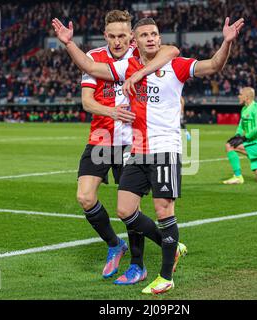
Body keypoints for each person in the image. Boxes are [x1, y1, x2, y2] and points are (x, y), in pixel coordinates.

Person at [55, 15, 244, 294]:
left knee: (163, 210)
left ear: (157, 36)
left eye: (154, 34)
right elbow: (90, 65)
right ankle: (161, 245)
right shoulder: (126, 65)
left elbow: (212, 65)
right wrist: (69, 44)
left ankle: (164, 275)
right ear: (136, 40)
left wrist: (227, 42)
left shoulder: (174, 64)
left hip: (164, 148)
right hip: (136, 149)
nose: (151, 38)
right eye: (144, 35)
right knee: (125, 209)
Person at [52, 10, 182, 282]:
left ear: (131, 36)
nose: (117, 41)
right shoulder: (95, 57)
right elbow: (87, 102)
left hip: (133, 142)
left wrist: (140, 75)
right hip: (101, 137)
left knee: (128, 209)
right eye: (112, 36)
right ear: (105, 35)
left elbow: (171, 50)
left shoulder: (142, 54)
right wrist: (112, 111)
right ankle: (116, 244)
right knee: (85, 197)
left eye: (123, 35)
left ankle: (138, 265)